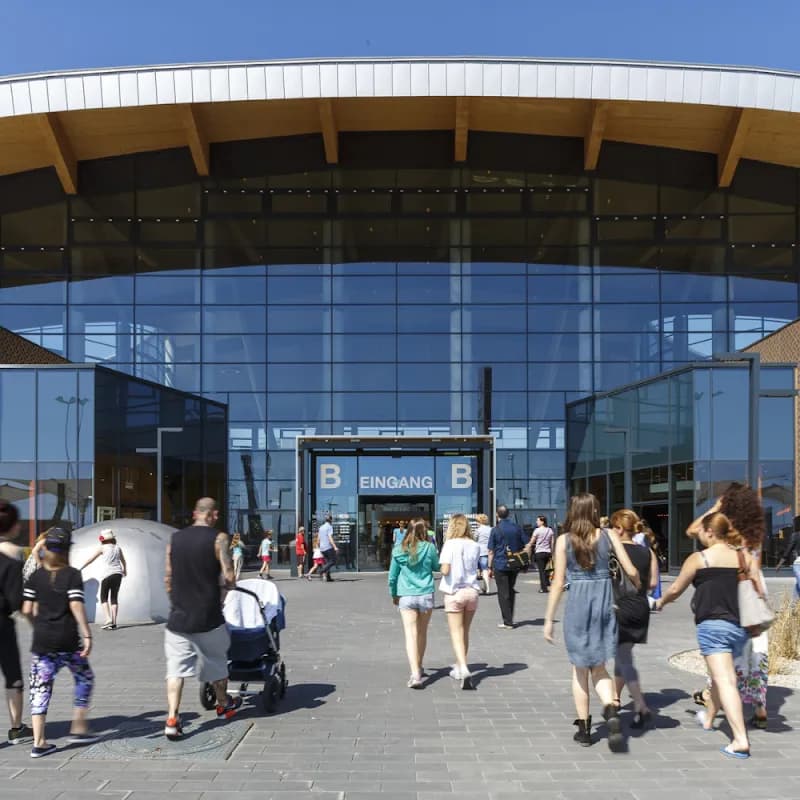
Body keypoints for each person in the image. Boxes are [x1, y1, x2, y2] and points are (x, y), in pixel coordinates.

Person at [543, 493, 640, 751]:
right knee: (599, 667)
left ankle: (584, 730)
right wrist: (638, 586)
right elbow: (629, 569)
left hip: (577, 607)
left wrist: (549, 619)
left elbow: (557, 581)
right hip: (604, 605)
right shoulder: (608, 535)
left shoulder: (564, 540)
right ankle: (610, 709)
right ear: (595, 511)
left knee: (579, 669)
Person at [656, 512, 751, 759]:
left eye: (701, 532)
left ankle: (740, 739)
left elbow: (676, 588)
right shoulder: (742, 556)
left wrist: (660, 602)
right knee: (719, 677)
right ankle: (709, 718)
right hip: (740, 627)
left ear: (710, 532)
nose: (698, 536)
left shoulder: (700, 559)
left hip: (714, 627)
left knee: (726, 680)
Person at [688, 483, 769, 728]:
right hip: (752, 584)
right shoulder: (754, 531)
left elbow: (693, 531)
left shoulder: (724, 527)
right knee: (756, 649)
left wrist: (714, 507)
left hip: (732, 584)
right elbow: (757, 560)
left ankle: (716, 703)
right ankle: (760, 707)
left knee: (723, 653)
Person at [163, 497, 241, 741]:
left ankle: (172, 720)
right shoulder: (219, 539)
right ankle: (223, 705)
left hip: (178, 618)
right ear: (213, 515)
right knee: (217, 662)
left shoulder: (174, 539)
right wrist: (226, 590)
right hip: (208, 615)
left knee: (175, 670)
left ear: (195, 513)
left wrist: (178, 601)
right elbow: (229, 576)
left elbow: (168, 577)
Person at [22, 528, 98, 758]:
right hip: (68, 641)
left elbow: (26, 609)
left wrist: (36, 625)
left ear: (46, 549)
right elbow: (76, 605)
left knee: (40, 690)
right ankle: (78, 724)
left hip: (43, 643)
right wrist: (87, 635)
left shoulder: (35, 577)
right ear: (67, 550)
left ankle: (39, 743)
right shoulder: (72, 575)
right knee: (84, 677)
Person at [609, 509, 658, 728]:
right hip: (640, 606)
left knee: (624, 657)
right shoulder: (648, 552)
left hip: (620, 606)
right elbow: (654, 584)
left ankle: (640, 705)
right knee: (624, 653)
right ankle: (615, 697)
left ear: (619, 528)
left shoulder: (613, 552)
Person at [388, 518, 441, 689]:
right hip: (425, 593)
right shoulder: (430, 548)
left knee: (410, 635)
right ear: (424, 532)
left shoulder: (398, 550)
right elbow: (436, 566)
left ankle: (415, 674)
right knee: (422, 633)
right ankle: (419, 665)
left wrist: (394, 594)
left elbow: (392, 576)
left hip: (406, 595)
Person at [0, 501, 32, 745]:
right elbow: (17, 602)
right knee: (12, 675)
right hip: (2, 626)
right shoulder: (12, 560)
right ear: (12, 527)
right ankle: (16, 728)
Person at [438, 513, 481, 690]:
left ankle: (462, 668)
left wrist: (443, 569)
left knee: (456, 632)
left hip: (454, 592)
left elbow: (445, 570)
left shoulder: (450, 544)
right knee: (465, 631)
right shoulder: (475, 545)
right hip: (472, 591)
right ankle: (459, 664)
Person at [487, 505, 530, 629]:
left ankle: (508, 621)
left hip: (500, 564)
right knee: (510, 590)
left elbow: (490, 551)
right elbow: (527, 544)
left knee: (503, 592)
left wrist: (489, 567)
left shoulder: (495, 530)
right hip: (514, 564)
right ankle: (510, 618)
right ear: (509, 514)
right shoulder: (516, 528)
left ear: (497, 515)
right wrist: (526, 559)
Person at [79, 529, 127, 630]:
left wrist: (81, 567)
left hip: (107, 574)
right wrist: (124, 570)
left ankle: (108, 619)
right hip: (118, 574)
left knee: (103, 597)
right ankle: (114, 622)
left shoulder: (102, 548)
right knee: (114, 597)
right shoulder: (118, 548)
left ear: (103, 539)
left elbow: (91, 559)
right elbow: (123, 561)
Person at [775, 516, 800, 600]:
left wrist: (779, 564)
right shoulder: (795, 535)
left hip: (798, 563)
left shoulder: (795, 535)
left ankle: (794, 609)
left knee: (798, 586)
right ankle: (794, 609)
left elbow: (788, 551)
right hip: (798, 563)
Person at [531, 515, 555, 593]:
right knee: (546, 570)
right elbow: (552, 542)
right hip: (547, 552)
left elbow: (532, 541)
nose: (536, 522)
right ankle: (547, 583)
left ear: (542, 522)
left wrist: (528, 546)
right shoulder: (550, 530)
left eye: (537, 520)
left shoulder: (537, 530)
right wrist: (551, 552)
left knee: (541, 571)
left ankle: (543, 588)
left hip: (539, 553)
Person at [474, 513, 492, 594]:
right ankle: (486, 588)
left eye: (477, 521)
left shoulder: (478, 530)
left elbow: (474, 539)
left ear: (480, 521)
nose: (476, 523)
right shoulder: (490, 529)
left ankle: (484, 588)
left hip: (479, 552)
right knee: (486, 569)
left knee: (480, 570)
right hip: (488, 551)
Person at [318, 515, 338, 583]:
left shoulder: (321, 527)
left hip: (322, 548)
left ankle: (328, 577)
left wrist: (318, 547)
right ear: (330, 520)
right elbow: (330, 537)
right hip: (328, 547)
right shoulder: (329, 527)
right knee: (333, 561)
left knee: (327, 562)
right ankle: (322, 570)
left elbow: (318, 538)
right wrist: (335, 546)